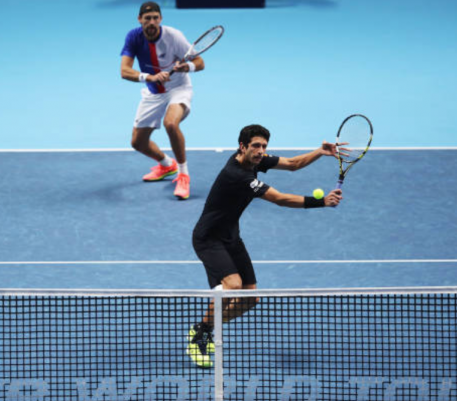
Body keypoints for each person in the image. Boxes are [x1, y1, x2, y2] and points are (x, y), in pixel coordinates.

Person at [186, 124, 343, 368]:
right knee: (233, 284)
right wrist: (321, 202)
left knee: (251, 299)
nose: (261, 151)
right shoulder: (238, 175)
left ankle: (205, 326)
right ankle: (200, 335)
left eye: (264, 146)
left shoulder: (254, 161)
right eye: (256, 146)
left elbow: (292, 164)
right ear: (242, 147)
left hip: (231, 237)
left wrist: (319, 152)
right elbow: (280, 199)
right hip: (208, 239)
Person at [120, 1, 204, 200]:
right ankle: (167, 165)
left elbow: (199, 62)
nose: (152, 22)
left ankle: (183, 175)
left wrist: (187, 67)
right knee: (138, 143)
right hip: (153, 91)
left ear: (160, 19)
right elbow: (124, 71)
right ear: (140, 20)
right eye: (147, 18)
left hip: (178, 88)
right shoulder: (133, 37)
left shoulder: (174, 36)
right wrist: (149, 77)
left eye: (155, 18)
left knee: (171, 123)